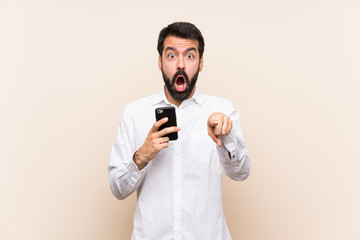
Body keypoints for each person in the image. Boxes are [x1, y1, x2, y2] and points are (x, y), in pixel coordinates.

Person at [108, 22, 251, 240]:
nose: (181, 65)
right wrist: (141, 156)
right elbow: (118, 189)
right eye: (172, 56)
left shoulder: (222, 110)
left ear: (201, 63)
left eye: (190, 56)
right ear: (159, 62)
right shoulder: (134, 113)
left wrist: (226, 137)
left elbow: (241, 173)